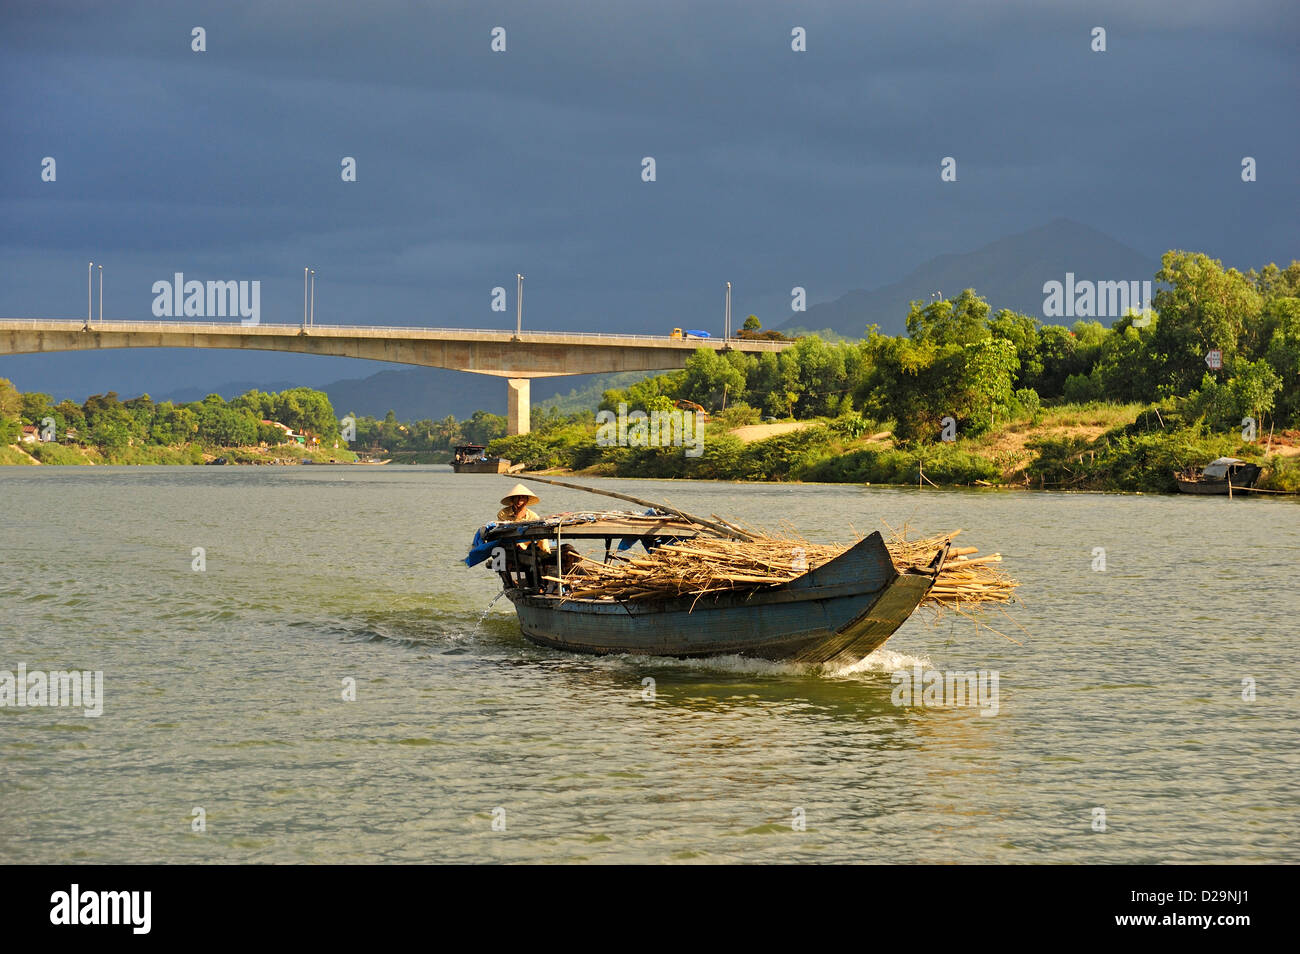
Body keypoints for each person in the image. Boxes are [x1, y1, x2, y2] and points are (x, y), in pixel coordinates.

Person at [497, 484, 552, 555]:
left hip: (527, 540)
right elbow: (501, 530)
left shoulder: (533, 515)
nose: (519, 500)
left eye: (522, 497)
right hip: (509, 541)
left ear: (527, 500)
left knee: (543, 536)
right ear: (512, 499)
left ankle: (546, 554)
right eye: (517, 497)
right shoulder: (503, 513)